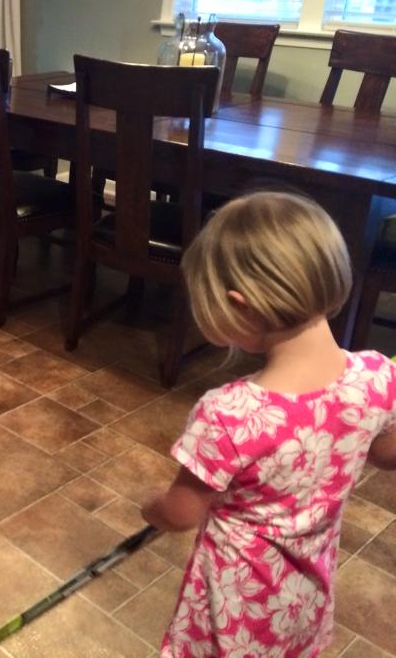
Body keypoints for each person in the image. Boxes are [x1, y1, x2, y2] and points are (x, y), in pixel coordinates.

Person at [141, 192, 396, 657]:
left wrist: (151, 508)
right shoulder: (377, 376)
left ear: (241, 307)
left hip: (236, 609)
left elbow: (181, 513)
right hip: (304, 598)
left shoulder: (230, 414)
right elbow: (386, 455)